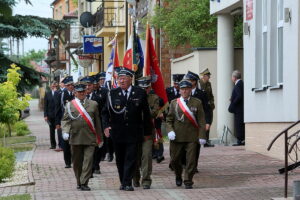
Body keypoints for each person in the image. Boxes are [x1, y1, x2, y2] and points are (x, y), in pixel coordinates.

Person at [102, 68, 153, 191]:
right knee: (120, 158)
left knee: (131, 157)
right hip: (117, 132)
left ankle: (127, 182)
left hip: (134, 131)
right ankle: (123, 181)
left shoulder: (139, 92)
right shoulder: (112, 93)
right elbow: (104, 112)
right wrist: (106, 126)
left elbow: (146, 114)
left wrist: (147, 132)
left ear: (131, 79)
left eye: (124, 78)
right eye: (120, 78)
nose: (122, 80)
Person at [61, 82, 103, 191]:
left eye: (83, 91)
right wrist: (65, 131)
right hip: (75, 137)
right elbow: (65, 120)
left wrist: (100, 137)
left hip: (90, 137)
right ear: (75, 93)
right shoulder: (70, 105)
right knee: (77, 162)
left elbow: (97, 122)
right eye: (79, 92)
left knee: (88, 161)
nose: (81, 93)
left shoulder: (93, 104)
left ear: (86, 92)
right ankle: (79, 181)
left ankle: (84, 182)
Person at [166, 79, 206, 189]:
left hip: (192, 137)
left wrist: (202, 136)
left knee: (191, 160)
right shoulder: (174, 103)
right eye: (182, 89)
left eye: (187, 89)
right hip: (177, 137)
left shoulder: (197, 102)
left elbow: (201, 121)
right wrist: (170, 131)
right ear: (179, 90)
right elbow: (169, 120)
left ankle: (188, 180)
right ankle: (178, 175)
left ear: (190, 90)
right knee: (174, 160)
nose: (184, 91)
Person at [133, 76, 160, 189]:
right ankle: (135, 177)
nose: (145, 90)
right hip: (134, 132)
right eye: (142, 88)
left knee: (147, 156)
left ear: (150, 87)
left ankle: (146, 180)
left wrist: (143, 109)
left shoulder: (154, 98)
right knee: (135, 156)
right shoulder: (133, 96)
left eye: (147, 88)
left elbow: (154, 112)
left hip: (147, 131)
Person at [185, 71, 210, 173]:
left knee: (195, 147)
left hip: (197, 125)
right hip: (185, 125)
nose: (188, 82)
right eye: (188, 80)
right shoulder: (184, 91)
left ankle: (193, 166)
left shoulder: (202, 94)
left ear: (195, 82)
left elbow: (207, 109)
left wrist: (207, 122)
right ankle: (186, 163)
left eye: (190, 80)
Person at [80, 76, 103, 175]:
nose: (88, 87)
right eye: (86, 85)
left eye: (89, 85)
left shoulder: (98, 98)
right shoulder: (78, 99)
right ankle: (87, 168)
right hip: (83, 129)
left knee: (96, 148)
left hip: (95, 128)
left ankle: (95, 165)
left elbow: (102, 113)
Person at [166, 74, 185, 170]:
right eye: (175, 83)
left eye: (178, 84)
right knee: (173, 144)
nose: (176, 85)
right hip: (172, 120)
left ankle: (182, 162)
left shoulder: (183, 92)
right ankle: (173, 162)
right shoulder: (168, 91)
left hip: (182, 121)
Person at [55, 76, 74, 168]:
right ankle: (67, 162)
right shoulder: (61, 94)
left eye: (72, 85)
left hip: (75, 122)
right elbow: (58, 109)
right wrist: (57, 123)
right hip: (65, 122)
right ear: (66, 86)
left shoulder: (76, 93)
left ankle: (75, 159)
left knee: (74, 142)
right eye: (69, 85)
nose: (71, 86)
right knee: (65, 142)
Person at [228, 70, 245, 146]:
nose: (231, 78)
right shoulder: (241, 83)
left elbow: (239, 96)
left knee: (239, 124)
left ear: (234, 77)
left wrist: (233, 102)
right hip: (241, 108)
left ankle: (240, 140)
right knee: (240, 124)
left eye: (232, 77)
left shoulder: (238, 84)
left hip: (238, 109)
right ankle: (241, 140)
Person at [199, 68, 215, 147]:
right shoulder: (199, 83)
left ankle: (206, 140)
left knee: (209, 122)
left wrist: (212, 103)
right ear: (204, 76)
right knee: (203, 123)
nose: (209, 77)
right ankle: (202, 140)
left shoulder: (209, 84)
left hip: (208, 107)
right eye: (208, 76)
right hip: (201, 107)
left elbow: (211, 95)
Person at [44, 81, 58, 149]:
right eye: (52, 86)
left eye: (55, 86)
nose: (53, 87)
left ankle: (61, 145)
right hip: (50, 115)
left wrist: (56, 93)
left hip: (57, 115)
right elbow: (45, 105)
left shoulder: (58, 93)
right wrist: (45, 115)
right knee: (51, 131)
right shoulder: (47, 94)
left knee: (59, 130)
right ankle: (53, 145)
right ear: (50, 86)